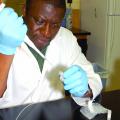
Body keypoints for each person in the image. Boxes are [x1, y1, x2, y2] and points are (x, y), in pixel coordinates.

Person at [0, 0, 102, 108]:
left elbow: (93, 81)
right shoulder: (4, 35)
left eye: (55, 25)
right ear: (25, 10)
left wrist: (84, 91)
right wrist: (5, 51)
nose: (47, 33)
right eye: (39, 21)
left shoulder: (66, 38)